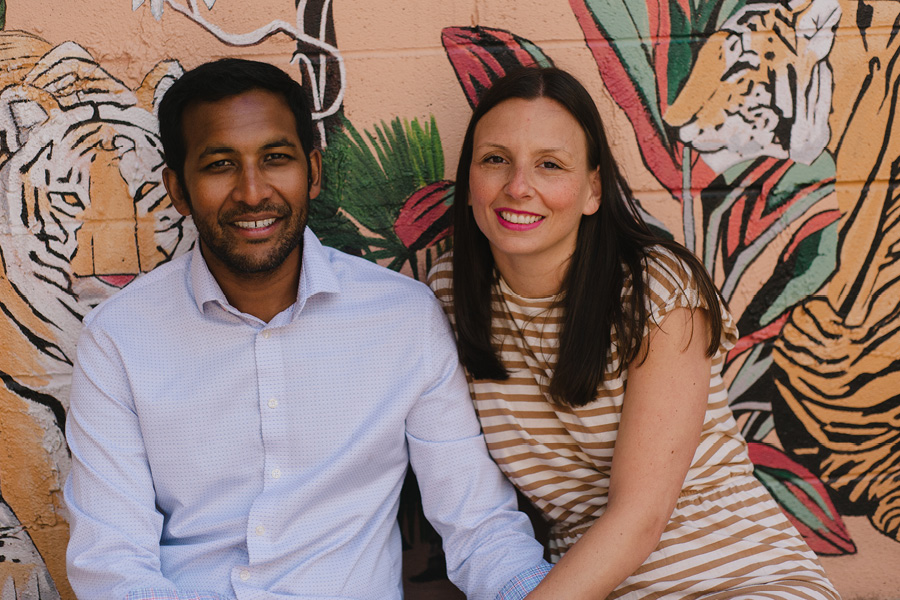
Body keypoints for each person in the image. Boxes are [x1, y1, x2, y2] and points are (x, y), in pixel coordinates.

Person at [63, 58, 551, 600]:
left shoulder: (403, 319)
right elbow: (112, 564)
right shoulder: (120, 338)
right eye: (220, 164)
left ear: (313, 172)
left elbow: (479, 526)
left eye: (275, 158)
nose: (252, 192)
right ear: (178, 190)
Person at [427, 67, 841, 599]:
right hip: (594, 585)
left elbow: (641, 517)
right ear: (468, 182)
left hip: (741, 577)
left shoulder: (655, 288)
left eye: (549, 165)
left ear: (593, 190)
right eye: (495, 160)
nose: (519, 186)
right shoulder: (447, 299)